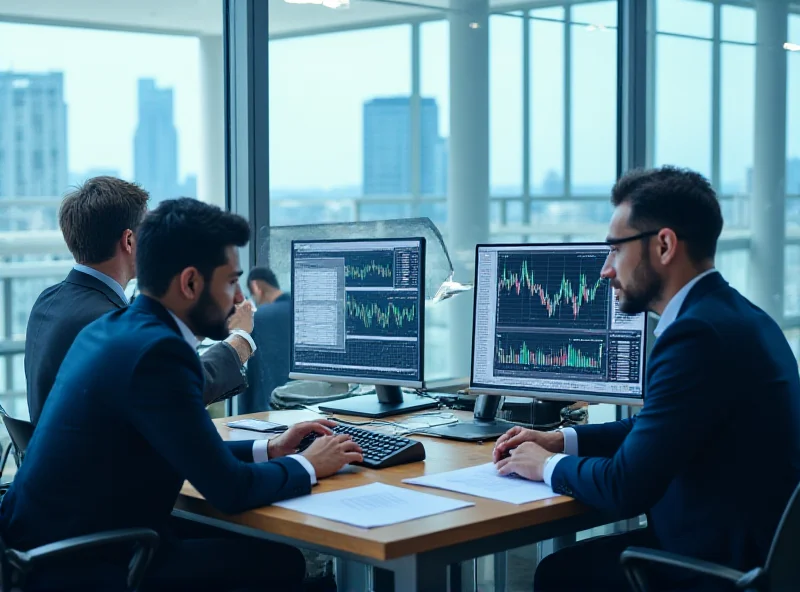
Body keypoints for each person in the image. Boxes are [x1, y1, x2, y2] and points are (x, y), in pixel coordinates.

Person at [0, 198, 363, 591]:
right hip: (86, 568)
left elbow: (185, 447)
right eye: (230, 281)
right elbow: (230, 490)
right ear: (190, 283)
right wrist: (310, 464)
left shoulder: (115, 329)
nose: (239, 298)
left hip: (41, 552)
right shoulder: (160, 353)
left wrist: (270, 449)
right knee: (283, 562)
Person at [492, 166, 800, 591]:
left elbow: (624, 487)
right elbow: (658, 425)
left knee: (559, 574)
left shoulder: (696, 336)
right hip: (750, 555)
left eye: (615, 249)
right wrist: (563, 440)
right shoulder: (742, 317)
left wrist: (546, 465)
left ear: (665, 245)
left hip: (713, 569)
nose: (606, 270)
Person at [25, 177, 255, 425]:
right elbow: (179, 390)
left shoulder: (47, 301)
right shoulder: (107, 323)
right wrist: (240, 340)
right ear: (130, 241)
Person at [239, 266, 291, 413]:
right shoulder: (302, 311)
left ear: (256, 287)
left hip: (269, 408)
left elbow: (251, 371)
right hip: (306, 405)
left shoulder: (261, 317)